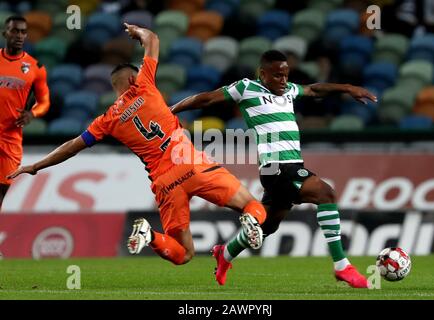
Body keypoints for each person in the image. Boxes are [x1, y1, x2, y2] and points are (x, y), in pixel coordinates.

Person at [7, 24, 267, 278]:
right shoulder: (144, 85)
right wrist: (137, 32)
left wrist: (35, 166)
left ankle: (149, 234)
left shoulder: (106, 120)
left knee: (183, 254)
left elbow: (71, 147)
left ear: (114, 88)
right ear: (133, 78)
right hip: (193, 164)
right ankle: (249, 221)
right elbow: (153, 38)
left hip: (165, 183)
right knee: (252, 206)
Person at [171, 50, 378, 288]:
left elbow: (313, 89)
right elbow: (206, 99)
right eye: (278, 75)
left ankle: (225, 253)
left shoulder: (288, 90)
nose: (283, 80)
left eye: (286, 75)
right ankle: (342, 266)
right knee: (325, 193)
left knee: (268, 224)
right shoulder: (246, 88)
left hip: (292, 165)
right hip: (276, 167)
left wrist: (348, 88)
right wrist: (171, 110)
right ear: (263, 73)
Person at [0, 16, 50, 210]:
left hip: (10, 139)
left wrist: (32, 114)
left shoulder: (36, 68)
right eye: (15, 31)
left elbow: (44, 102)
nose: (19, 35)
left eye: (23, 32)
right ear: (6, 33)